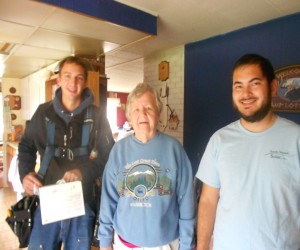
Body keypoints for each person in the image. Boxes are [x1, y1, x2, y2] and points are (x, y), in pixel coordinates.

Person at [196, 53, 300, 250]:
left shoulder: (296, 138)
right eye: (238, 86)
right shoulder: (219, 140)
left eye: (254, 83)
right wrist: (201, 247)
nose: (246, 93)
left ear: (273, 86)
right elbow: (208, 201)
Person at [18, 56, 115, 249]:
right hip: (47, 201)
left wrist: (83, 172)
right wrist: (25, 174)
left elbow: (108, 157)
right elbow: (26, 146)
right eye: (68, 76)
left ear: (85, 82)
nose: (73, 83)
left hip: (82, 203)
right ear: (58, 80)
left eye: (79, 77)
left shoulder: (97, 117)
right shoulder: (42, 113)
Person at [98, 83, 195, 250]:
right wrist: (105, 240)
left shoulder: (174, 150)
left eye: (148, 108)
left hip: (166, 244)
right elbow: (108, 199)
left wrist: (187, 245)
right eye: (136, 109)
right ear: (129, 116)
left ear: (158, 113)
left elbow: (187, 202)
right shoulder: (118, 150)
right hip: (125, 243)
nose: (142, 113)